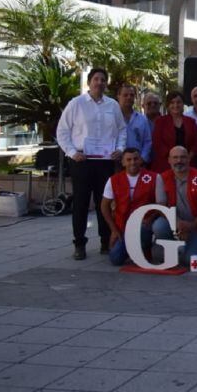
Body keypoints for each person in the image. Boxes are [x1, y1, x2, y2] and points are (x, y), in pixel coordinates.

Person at [57, 68, 127, 259]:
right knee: (80, 203)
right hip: (82, 161)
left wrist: (120, 149)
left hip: (105, 162)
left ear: (106, 83)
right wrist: (72, 153)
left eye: (103, 80)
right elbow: (62, 132)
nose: (99, 82)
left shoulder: (112, 105)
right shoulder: (76, 104)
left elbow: (122, 130)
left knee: (103, 202)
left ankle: (106, 241)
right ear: (89, 82)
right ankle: (79, 244)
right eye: (96, 79)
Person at [101, 147, 166, 266]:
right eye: (129, 159)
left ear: (141, 160)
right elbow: (104, 206)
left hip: (144, 224)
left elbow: (161, 205)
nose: (132, 162)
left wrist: (150, 219)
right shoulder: (113, 180)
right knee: (115, 259)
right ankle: (132, 248)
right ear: (123, 162)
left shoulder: (155, 177)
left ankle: (144, 247)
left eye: (136, 159)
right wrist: (114, 230)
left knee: (142, 229)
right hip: (122, 225)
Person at [157, 145, 197, 266]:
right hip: (176, 222)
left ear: (189, 159)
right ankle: (172, 251)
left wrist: (192, 225)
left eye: (183, 157)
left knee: (190, 261)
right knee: (159, 226)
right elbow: (161, 205)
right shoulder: (161, 178)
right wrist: (178, 223)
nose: (179, 161)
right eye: (175, 157)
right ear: (169, 160)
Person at [151, 91, 197, 174]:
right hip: (165, 164)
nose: (176, 105)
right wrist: (174, 158)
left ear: (183, 104)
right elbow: (157, 143)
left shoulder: (191, 122)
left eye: (178, 102)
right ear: (168, 105)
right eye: (172, 103)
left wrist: (188, 157)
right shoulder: (160, 121)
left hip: (188, 164)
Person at [117, 84, 152, 165]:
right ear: (118, 96)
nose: (129, 97)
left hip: (137, 163)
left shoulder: (142, 119)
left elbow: (147, 142)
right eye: (125, 95)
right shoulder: (112, 118)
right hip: (116, 163)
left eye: (132, 95)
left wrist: (143, 158)